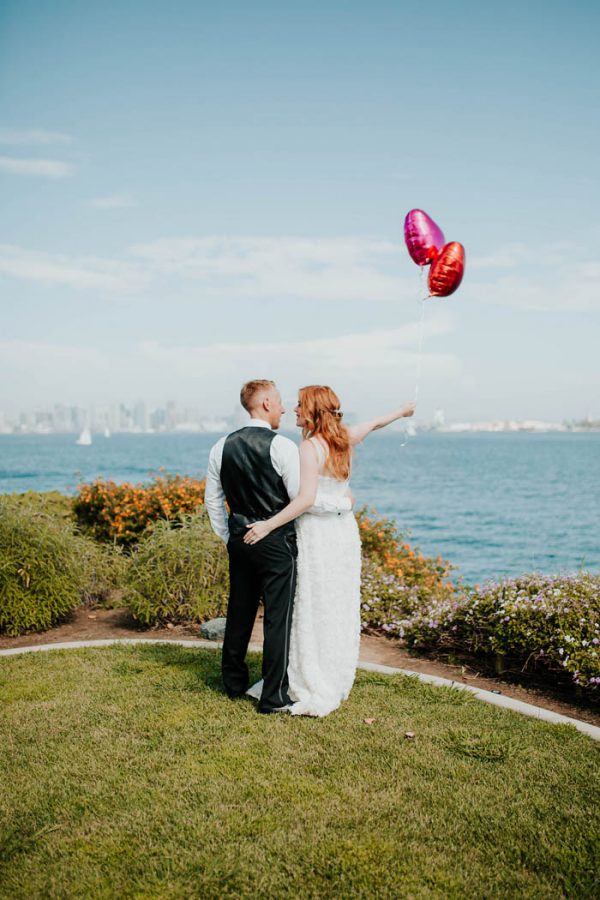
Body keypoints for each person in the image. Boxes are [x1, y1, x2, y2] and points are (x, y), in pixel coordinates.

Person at [244, 385, 416, 717]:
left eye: (299, 405)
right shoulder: (344, 439)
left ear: (311, 410)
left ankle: (307, 678)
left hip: (318, 535)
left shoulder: (309, 447)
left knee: (311, 602)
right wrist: (402, 411)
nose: (293, 409)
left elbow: (305, 501)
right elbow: (376, 423)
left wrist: (266, 525)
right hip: (344, 534)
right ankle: (331, 674)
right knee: (336, 603)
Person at [205, 380, 352, 714]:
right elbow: (303, 499)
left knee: (239, 611)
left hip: (240, 539)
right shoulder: (282, 447)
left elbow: (213, 501)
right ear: (267, 403)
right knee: (277, 619)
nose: (286, 409)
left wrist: (229, 535)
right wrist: (343, 503)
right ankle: (273, 695)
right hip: (275, 541)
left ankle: (233, 682)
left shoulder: (220, 446)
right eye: (282, 402)